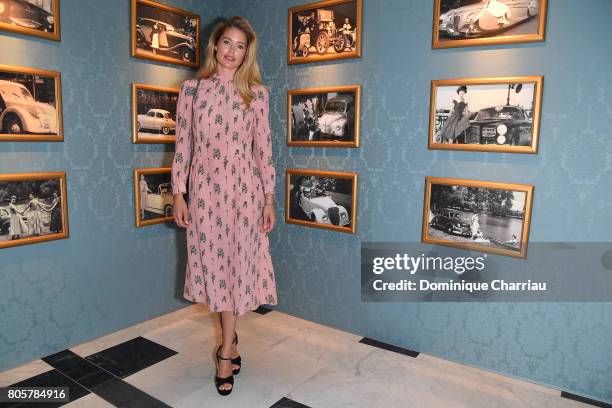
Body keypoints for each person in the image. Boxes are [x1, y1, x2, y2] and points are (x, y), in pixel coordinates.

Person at [171, 16, 277, 396]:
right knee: (217, 270)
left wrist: (268, 199)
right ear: (214, 45)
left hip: (246, 193)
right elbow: (184, 145)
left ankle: (226, 349)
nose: (232, 52)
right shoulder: (192, 91)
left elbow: (263, 150)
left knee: (238, 269)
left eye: (240, 46)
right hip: (205, 193)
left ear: (247, 53)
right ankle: (228, 346)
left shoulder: (258, 94)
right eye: (227, 43)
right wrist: (178, 193)